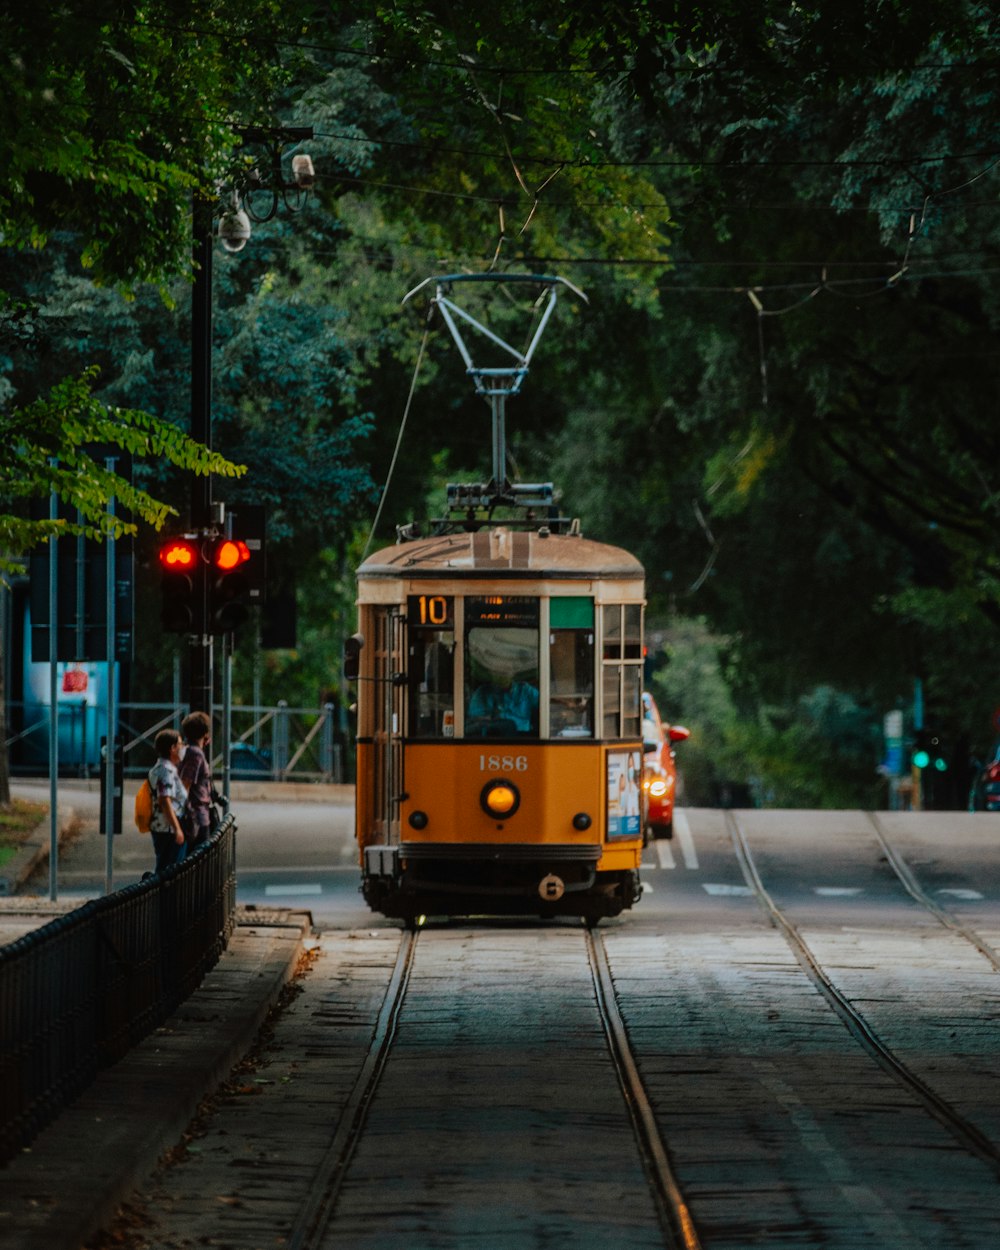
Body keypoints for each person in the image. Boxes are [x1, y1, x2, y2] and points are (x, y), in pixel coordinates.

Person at [148, 728, 188, 874]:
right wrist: (177, 829)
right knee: (168, 871)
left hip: (165, 827)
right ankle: (163, 897)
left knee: (167, 869)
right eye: (180, 744)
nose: (183, 747)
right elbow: (165, 801)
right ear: (172, 748)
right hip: (167, 829)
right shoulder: (166, 770)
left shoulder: (165, 768)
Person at [179, 710, 213, 849]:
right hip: (197, 817)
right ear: (205, 733)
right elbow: (185, 785)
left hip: (196, 815)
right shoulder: (196, 754)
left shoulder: (185, 750)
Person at [467, 673, 539, 734]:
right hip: (491, 740)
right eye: (497, 670)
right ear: (491, 672)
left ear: (513, 671)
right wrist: (492, 718)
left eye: (506, 669)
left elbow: (546, 710)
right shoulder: (482, 693)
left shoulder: (526, 691)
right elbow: (474, 721)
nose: (502, 674)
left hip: (523, 740)